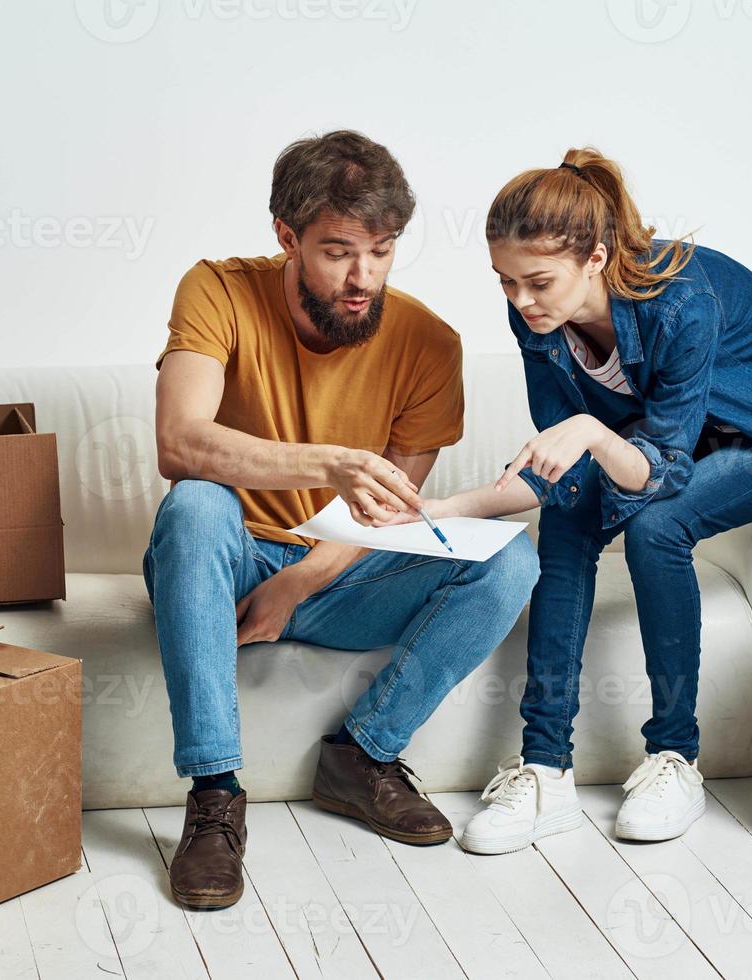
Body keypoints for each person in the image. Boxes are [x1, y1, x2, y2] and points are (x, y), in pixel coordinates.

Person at [383, 148, 752, 853]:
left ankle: (674, 758)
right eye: (504, 283)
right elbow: (556, 466)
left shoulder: (679, 300)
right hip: (688, 435)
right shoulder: (534, 321)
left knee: (657, 527)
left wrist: (591, 429)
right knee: (565, 514)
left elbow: (657, 470)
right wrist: (435, 511)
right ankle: (543, 769)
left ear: (595, 257)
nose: (519, 301)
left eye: (536, 282)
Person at [145, 130, 539, 909]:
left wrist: (300, 580)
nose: (364, 277)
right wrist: (328, 463)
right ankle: (215, 795)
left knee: (511, 558)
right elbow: (179, 442)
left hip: (338, 575)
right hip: (217, 567)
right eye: (337, 251)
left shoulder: (429, 342)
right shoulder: (216, 290)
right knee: (194, 504)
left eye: (383, 250)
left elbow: (390, 513)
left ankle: (362, 756)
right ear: (286, 237)